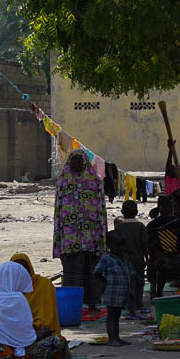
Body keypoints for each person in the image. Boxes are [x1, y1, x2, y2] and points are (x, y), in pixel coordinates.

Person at [53, 148, 107, 311]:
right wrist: (59, 239)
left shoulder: (94, 181)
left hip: (91, 236)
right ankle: (74, 306)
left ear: (85, 162)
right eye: (74, 160)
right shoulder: (63, 181)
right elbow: (58, 210)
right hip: (70, 237)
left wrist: (101, 236)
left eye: (80, 160)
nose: (77, 163)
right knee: (73, 270)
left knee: (92, 269)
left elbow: (101, 209)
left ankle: (93, 302)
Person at [94, 231, 136, 346]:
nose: (121, 248)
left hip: (123, 292)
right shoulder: (106, 258)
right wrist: (106, 282)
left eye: (122, 245)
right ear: (110, 245)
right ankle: (112, 339)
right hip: (112, 292)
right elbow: (97, 272)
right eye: (118, 245)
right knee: (111, 315)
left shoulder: (125, 258)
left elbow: (132, 273)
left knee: (116, 316)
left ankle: (116, 338)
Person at [146, 195, 180, 297]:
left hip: (178, 257)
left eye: (169, 207)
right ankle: (157, 292)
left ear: (174, 208)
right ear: (160, 208)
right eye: (164, 207)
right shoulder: (153, 225)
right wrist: (163, 256)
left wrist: (178, 256)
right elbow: (150, 246)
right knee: (155, 264)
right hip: (159, 257)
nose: (167, 210)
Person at [10, 253, 60, 337]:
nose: (20, 273)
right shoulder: (9, 289)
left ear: (29, 269)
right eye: (16, 270)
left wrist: (34, 329)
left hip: (42, 332)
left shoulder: (44, 284)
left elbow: (47, 320)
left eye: (23, 269)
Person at [114, 200, 150, 317]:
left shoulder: (119, 228)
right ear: (136, 212)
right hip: (138, 259)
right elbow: (145, 244)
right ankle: (138, 302)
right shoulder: (140, 226)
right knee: (139, 282)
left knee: (125, 282)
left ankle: (128, 303)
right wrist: (147, 258)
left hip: (123, 260)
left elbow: (116, 245)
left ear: (122, 212)